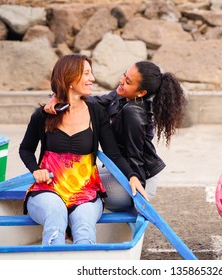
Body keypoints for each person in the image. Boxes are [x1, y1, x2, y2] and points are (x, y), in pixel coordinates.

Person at [19, 54, 146, 245]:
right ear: (70, 78)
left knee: (84, 228)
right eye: (86, 73)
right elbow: (25, 149)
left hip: (86, 191)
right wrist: (36, 170)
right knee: (56, 216)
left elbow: (114, 154)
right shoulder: (43, 115)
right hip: (48, 190)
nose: (92, 78)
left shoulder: (96, 112)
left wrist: (132, 176)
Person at [45, 61, 187, 211]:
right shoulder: (121, 96)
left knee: (70, 184)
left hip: (135, 180)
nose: (121, 81)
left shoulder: (134, 113)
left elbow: (135, 156)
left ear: (141, 93)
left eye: (128, 81)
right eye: (124, 75)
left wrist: (138, 197)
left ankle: (70, 229)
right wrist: (59, 97)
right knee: (63, 174)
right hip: (119, 168)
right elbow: (94, 102)